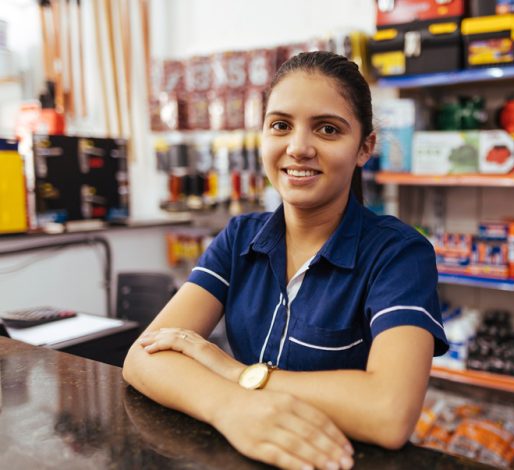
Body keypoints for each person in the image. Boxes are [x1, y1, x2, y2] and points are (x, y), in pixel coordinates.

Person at [123, 51, 448, 470]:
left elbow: (389, 412)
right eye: (280, 125)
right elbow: (142, 358)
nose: (298, 148)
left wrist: (237, 374)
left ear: (364, 147)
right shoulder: (240, 237)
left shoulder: (398, 254)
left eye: (327, 129)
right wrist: (231, 408)